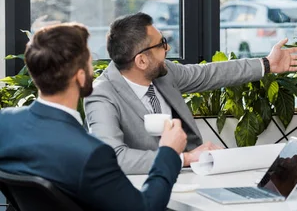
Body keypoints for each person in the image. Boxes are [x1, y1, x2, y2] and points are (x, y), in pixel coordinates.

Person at [85, 12, 297, 174]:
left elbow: (210, 74)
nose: (168, 49)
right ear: (141, 60)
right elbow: (114, 157)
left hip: (195, 177)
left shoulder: (164, 73)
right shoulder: (102, 95)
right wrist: (185, 158)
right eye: (162, 44)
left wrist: (267, 64)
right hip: (146, 191)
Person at [0, 23, 187, 211]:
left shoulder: (5, 124)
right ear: (80, 77)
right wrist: (168, 152)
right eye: (89, 62)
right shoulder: (92, 153)